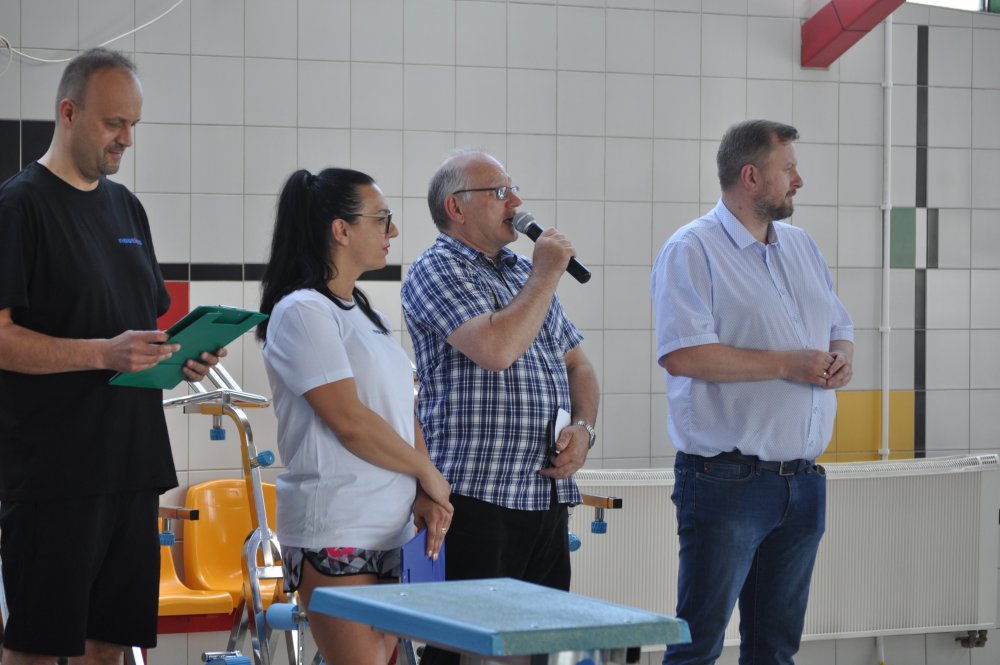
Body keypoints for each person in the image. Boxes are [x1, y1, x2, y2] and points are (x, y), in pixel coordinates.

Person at [0, 48, 224, 665]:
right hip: (55, 475)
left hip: (133, 462)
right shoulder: (20, 207)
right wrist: (104, 352)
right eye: (113, 123)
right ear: (69, 113)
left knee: (109, 647)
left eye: (133, 124)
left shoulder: (127, 208)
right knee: (36, 649)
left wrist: (181, 356)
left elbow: (137, 334)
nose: (126, 138)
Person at [650, 119, 854, 665]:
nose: (799, 180)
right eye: (788, 169)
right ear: (751, 177)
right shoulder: (692, 249)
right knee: (697, 648)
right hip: (727, 481)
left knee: (775, 650)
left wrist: (841, 358)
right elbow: (683, 355)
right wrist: (788, 364)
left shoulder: (802, 246)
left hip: (803, 482)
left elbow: (839, 324)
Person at [401, 150, 600, 665]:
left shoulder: (523, 273)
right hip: (475, 497)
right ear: (457, 207)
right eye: (500, 192)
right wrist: (546, 274)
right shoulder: (436, 269)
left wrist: (583, 428)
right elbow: (495, 350)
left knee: (538, 647)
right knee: (467, 650)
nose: (517, 202)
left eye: (513, 189)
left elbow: (578, 365)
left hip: (544, 495)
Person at [256, 167, 453, 665]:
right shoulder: (302, 311)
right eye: (381, 219)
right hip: (337, 525)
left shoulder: (366, 313)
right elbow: (347, 419)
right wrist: (427, 470)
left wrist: (424, 489)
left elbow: (402, 411)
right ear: (340, 230)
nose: (393, 231)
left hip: (392, 528)